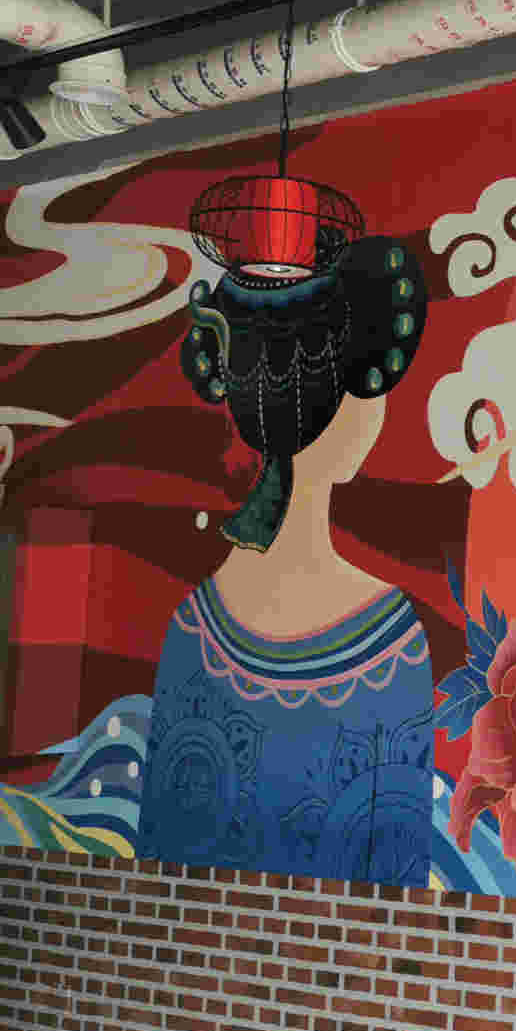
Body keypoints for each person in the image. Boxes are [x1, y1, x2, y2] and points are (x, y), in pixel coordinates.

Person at [136, 237, 433, 884]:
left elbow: (158, 857)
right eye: (369, 384)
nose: (378, 410)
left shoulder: (189, 627)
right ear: (340, 411)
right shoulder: (390, 640)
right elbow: (398, 874)